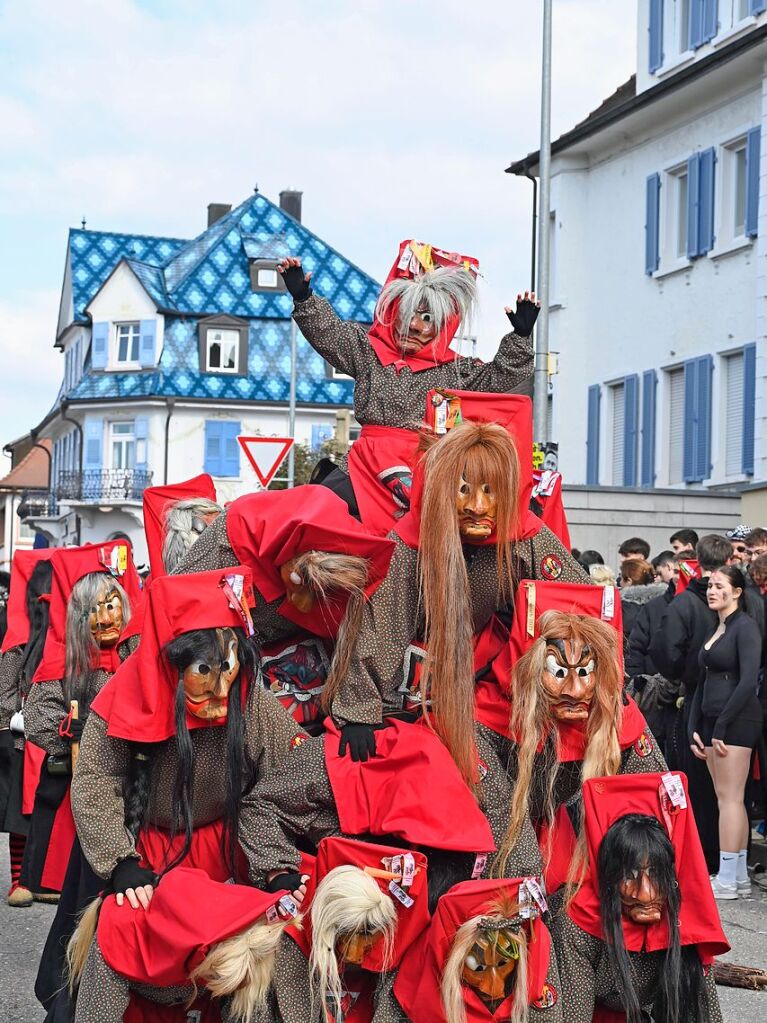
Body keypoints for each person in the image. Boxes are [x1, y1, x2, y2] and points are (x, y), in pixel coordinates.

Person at [327, 419, 585, 783]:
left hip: (480, 676)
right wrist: (359, 710)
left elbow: (577, 597)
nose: (478, 506)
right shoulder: (409, 543)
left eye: (490, 491)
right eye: (464, 491)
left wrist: (600, 672)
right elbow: (381, 624)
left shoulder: (524, 535)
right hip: (405, 681)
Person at [277, 242, 539, 534]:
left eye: (427, 318)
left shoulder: (457, 371)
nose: (415, 326)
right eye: (408, 314)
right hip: (365, 467)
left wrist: (521, 335)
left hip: (426, 471)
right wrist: (303, 296)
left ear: (443, 324)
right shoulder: (369, 352)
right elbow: (331, 334)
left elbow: (499, 378)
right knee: (316, 516)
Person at [495, 610, 667, 885]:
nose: (573, 690)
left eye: (585, 672)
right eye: (558, 672)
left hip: (561, 837)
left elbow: (653, 792)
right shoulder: (490, 715)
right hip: (509, 835)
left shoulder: (620, 717)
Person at [552, 773, 727, 1023]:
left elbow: (703, 1016)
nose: (644, 894)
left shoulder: (685, 926)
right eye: (630, 875)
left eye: (656, 874)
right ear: (609, 878)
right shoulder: (575, 926)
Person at [66, 867, 292, 1023]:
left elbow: (248, 1012)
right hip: (135, 1007)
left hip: (197, 1006)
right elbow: (99, 1016)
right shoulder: (121, 933)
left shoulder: (248, 939)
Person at [648, 534, 731, 868]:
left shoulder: (685, 602)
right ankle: (728, 859)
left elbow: (664, 649)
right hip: (733, 696)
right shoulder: (739, 600)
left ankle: (702, 856)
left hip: (697, 696)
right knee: (727, 786)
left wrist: (683, 674)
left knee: (696, 778)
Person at [689, 565, 763, 899]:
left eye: (719, 586)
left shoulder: (745, 628)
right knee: (727, 799)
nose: (711, 590)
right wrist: (696, 728)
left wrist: (719, 726)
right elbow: (701, 684)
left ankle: (729, 877)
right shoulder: (716, 628)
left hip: (736, 722)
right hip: (713, 722)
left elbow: (748, 681)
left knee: (730, 799)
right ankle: (737, 877)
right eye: (709, 585)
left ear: (736, 592)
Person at [394, 877, 563, 1023]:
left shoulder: (536, 955)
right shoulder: (420, 977)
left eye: (503, 964)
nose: (493, 988)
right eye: (478, 968)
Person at [0, 552, 53, 907]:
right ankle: (20, 879)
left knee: (47, 810)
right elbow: (5, 688)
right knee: (20, 812)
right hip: (20, 736)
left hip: (54, 732)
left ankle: (42, 877)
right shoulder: (18, 635)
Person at [618, 560, 660, 640]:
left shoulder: (623, 609)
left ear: (629, 581)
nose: (620, 583)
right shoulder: (662, 602)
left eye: (621, 579)